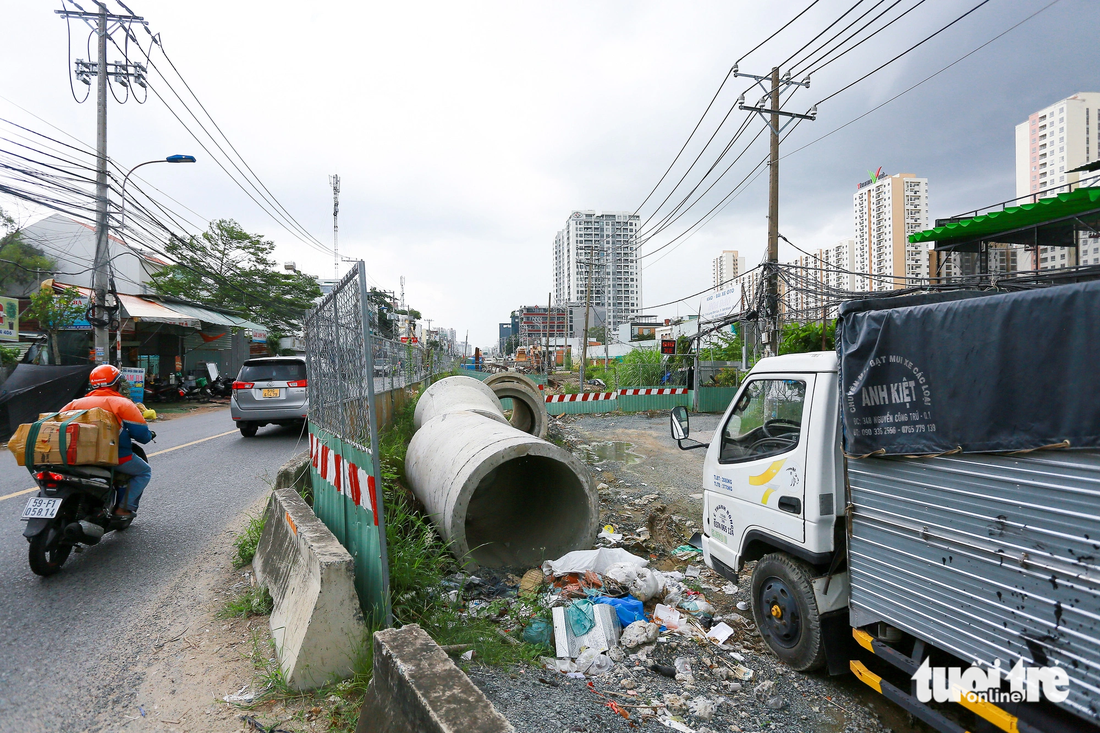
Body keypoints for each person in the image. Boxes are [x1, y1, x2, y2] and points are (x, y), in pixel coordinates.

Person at [62, 365, 154, 517]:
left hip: (76, 456)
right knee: (144, 472)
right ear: (116, 383)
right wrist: (149, 435)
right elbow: (142, 436)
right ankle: (123, 509)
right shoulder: (122, 404)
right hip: (115, 457)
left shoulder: (74, 404)